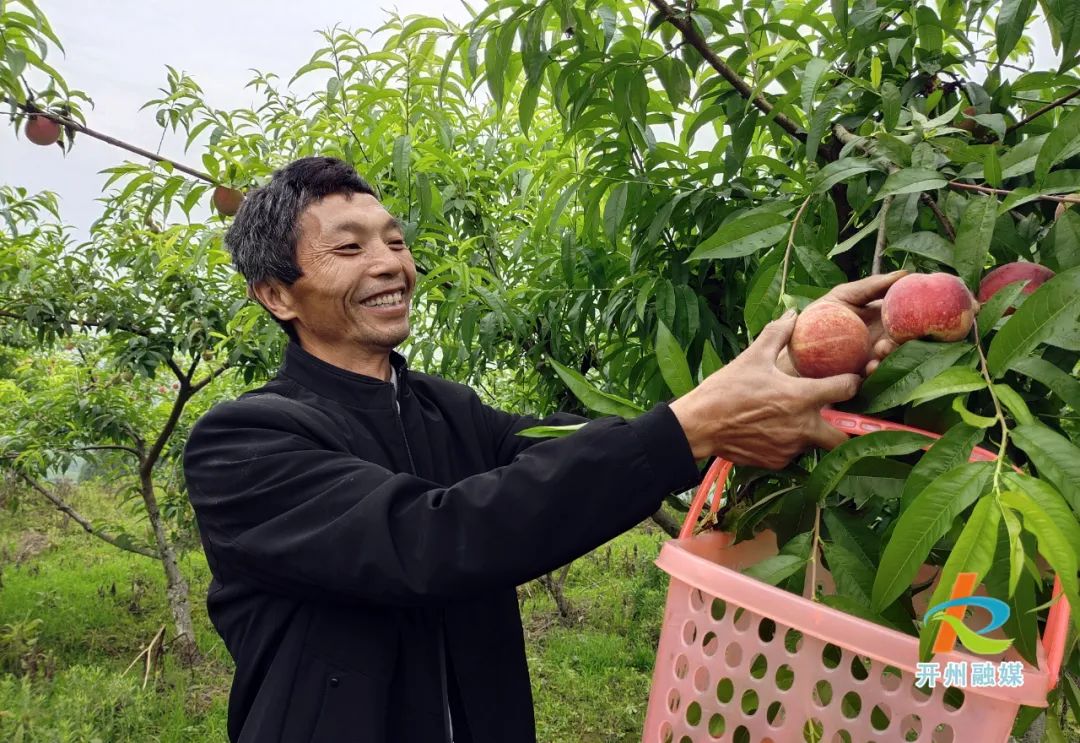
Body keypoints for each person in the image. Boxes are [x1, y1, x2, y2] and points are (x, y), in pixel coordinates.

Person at [182, 156, 903, 743]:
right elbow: (432, 537)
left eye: (395, 241)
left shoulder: (446, 409)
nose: (389, 264)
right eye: (349, 246)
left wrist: (790, 371)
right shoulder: (242, 443)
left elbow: (574, 454)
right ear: (277, 294)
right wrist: (694, 424)